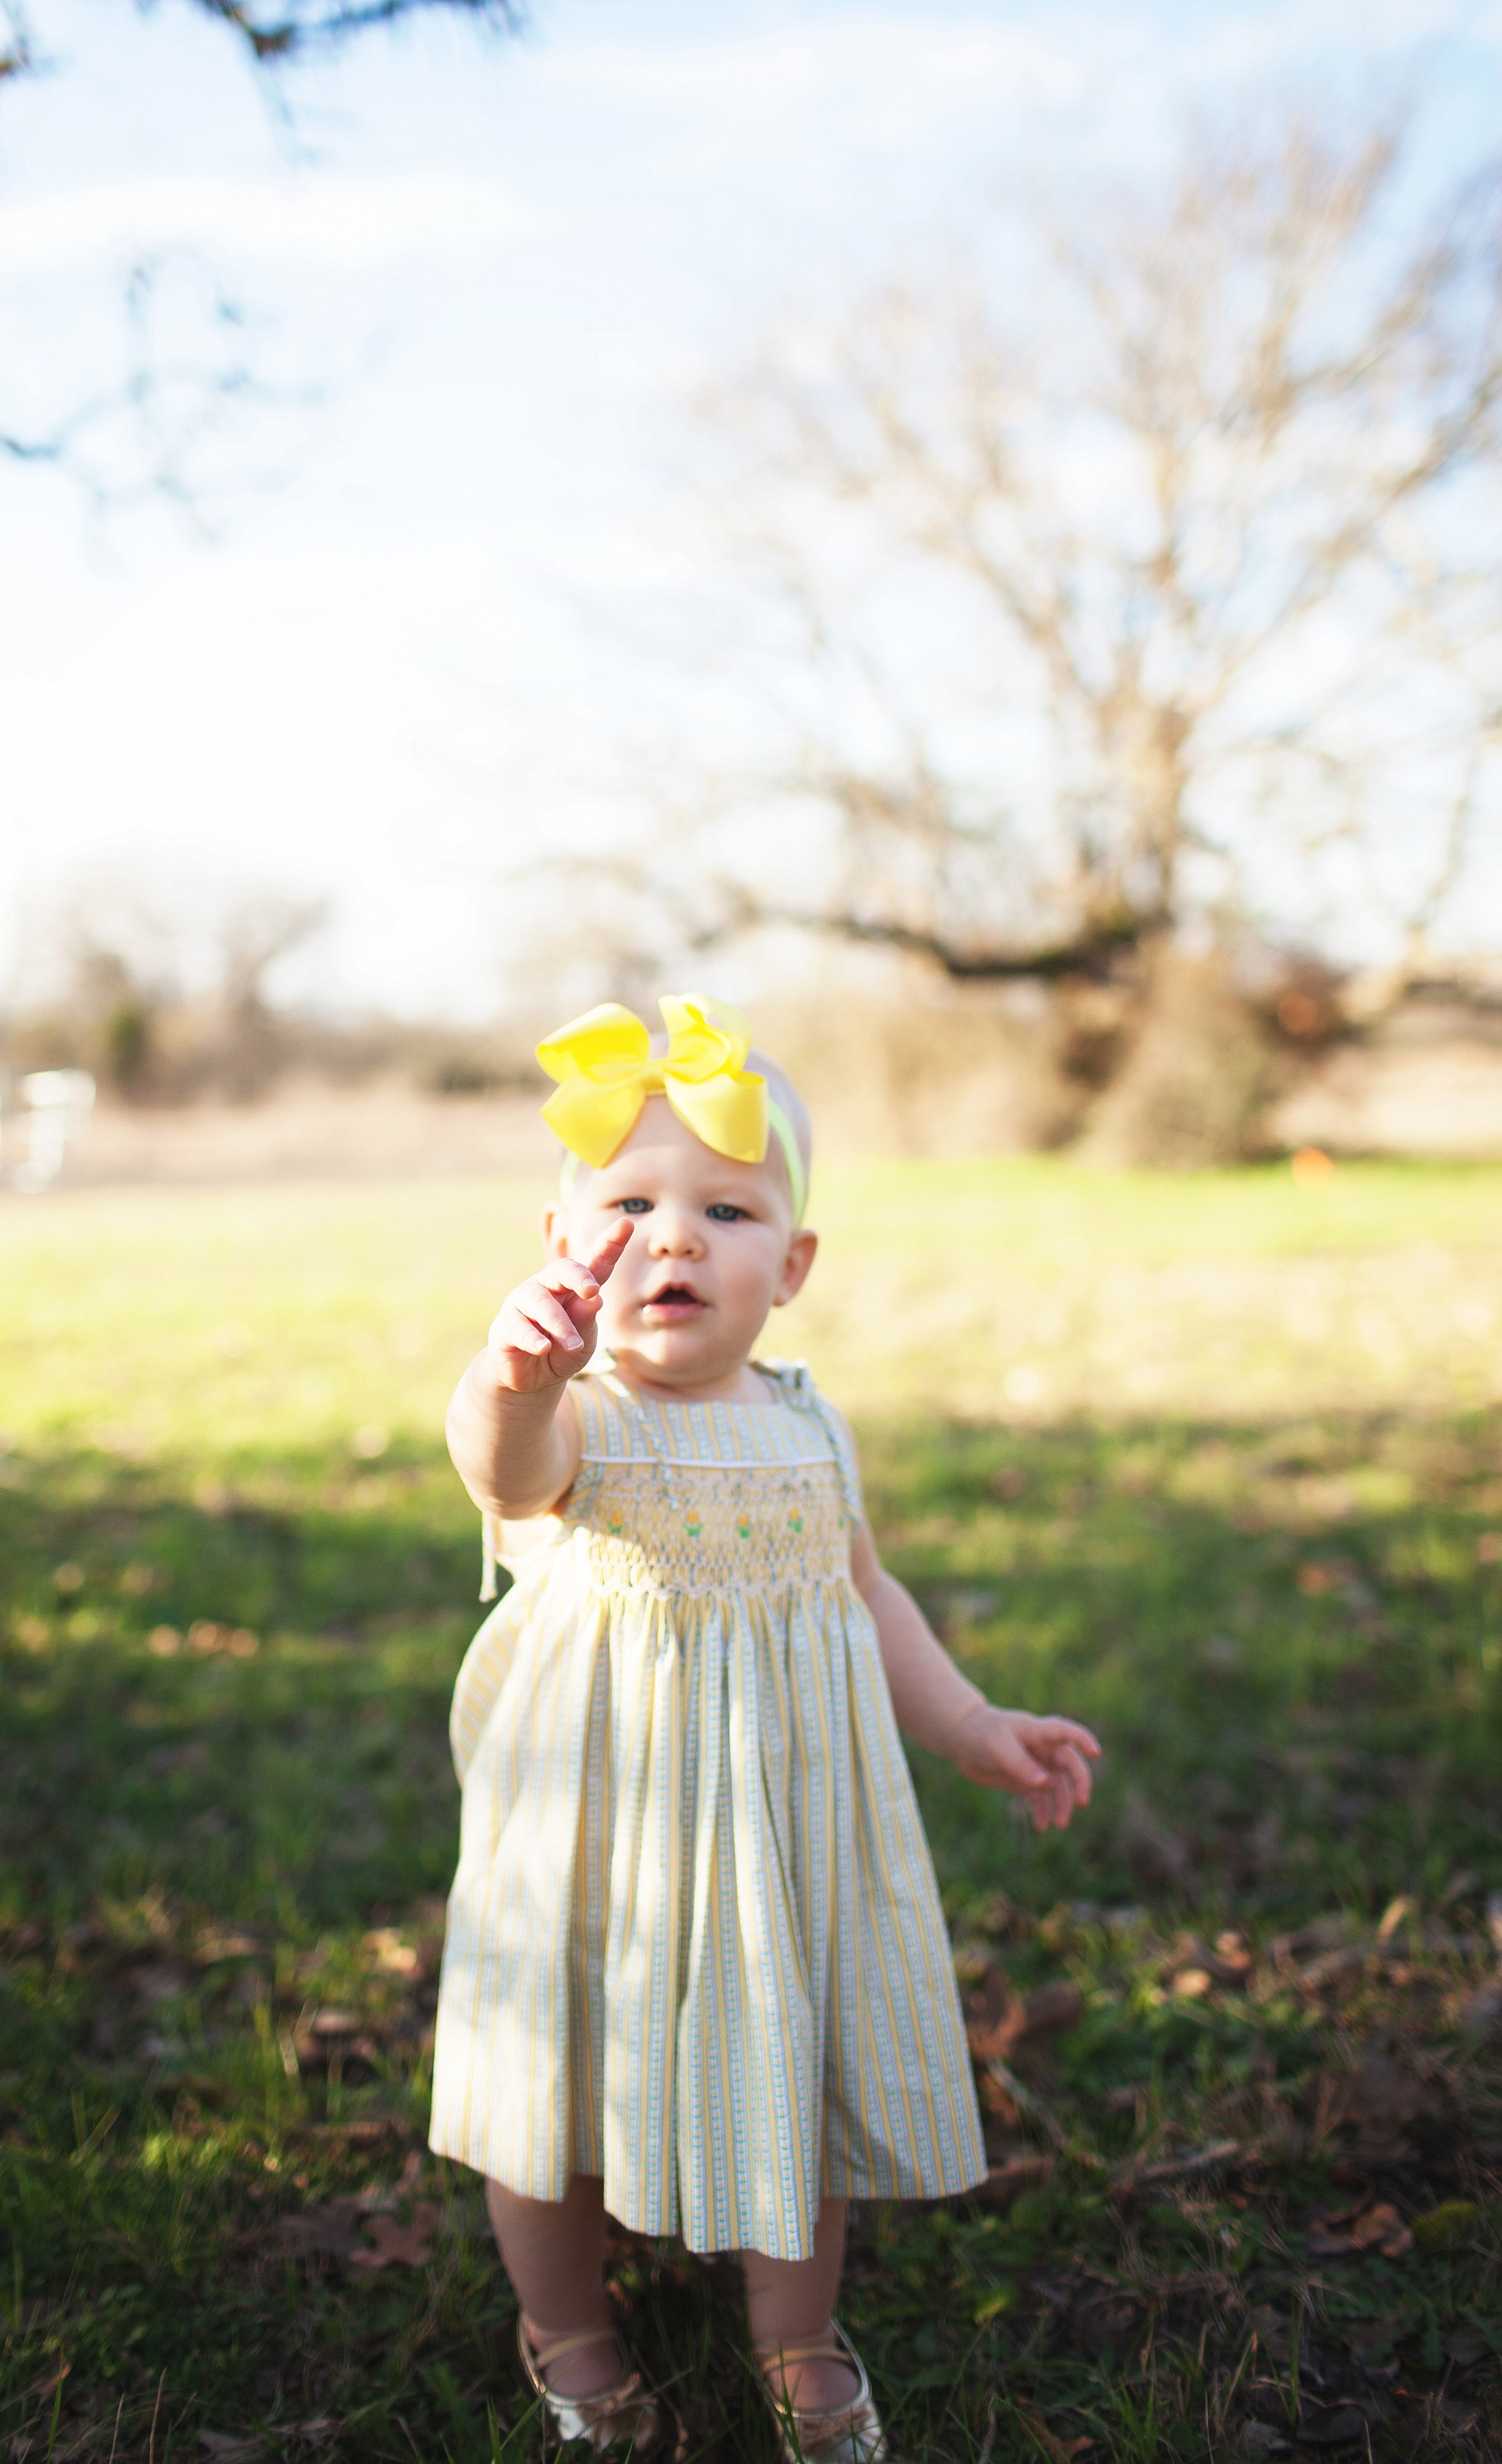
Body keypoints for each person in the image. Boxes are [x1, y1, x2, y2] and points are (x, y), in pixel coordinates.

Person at [431, 995, 1099, 2463]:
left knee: (792, 2062)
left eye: (724, 1207)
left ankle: (796, 2330)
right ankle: (569, 2321)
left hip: (781, 1824)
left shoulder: (809, 1421)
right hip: (599, 1827)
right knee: (556, 2072)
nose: (674, 1238)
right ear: (565, 1247)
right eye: (630, 1206)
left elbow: (867, 1594)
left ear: (789, 1266)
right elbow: (504, 1466)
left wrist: (975, 1721)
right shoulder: (584, 1415)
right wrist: (514, 1372)